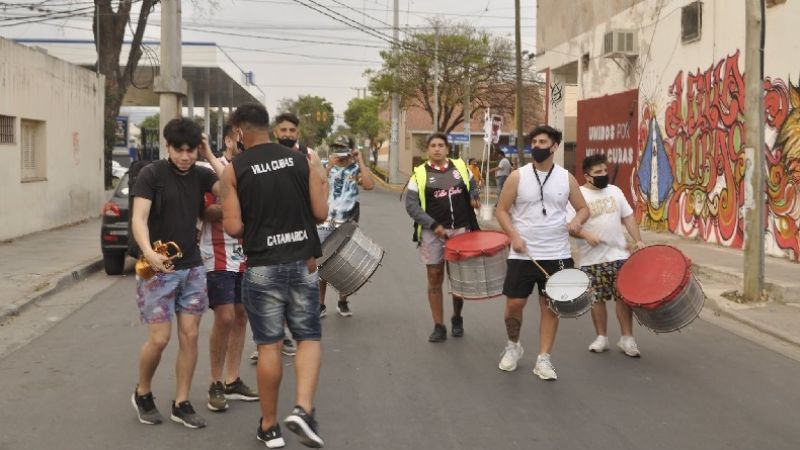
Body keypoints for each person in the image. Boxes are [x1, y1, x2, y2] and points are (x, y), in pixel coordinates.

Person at [221, 103, 328, 448]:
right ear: (268, 127)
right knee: (308, 337)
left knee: (269, 344)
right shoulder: (302, 160)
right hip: (302, 262)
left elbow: (234, 226)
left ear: (239, 131)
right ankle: (303, 409)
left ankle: (269, 427)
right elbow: (321, 213)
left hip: (263, 266)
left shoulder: (234, 170)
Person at [130, 117, 219, 429]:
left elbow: (232, 190)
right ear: (167, 147)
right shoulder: (151, 175)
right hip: (158, 270)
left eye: (190, 150)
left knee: (191, 335)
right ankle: (143, 392)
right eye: (179, 150)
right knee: (160, 339)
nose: (185, 156)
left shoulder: (201, 174)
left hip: (192, 268)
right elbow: (139, 218)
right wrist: (150, 252)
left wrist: (209, 155)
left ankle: (181, 402)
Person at [495, 125, 589, 380]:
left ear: (554, 146)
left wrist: (577, 221)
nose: (536, 145)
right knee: (515, 304)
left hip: (558, 254)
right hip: (523, 253)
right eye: (534, 141)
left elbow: (583, 208)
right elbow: (501, 210)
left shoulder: (566, 178)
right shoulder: (518, 176)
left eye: (542, 141)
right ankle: (513, 346)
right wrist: (514, 236)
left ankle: (544, 358)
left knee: (550, 306)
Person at [197, 125, 259, 413]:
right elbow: (205, 210)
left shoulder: (252, 168)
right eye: (239, 138)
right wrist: (239, 209)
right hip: (217, 254)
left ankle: (232, 380)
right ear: (228, 140)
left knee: (241, 315)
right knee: (224, 316)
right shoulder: (211, 168)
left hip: (245, 254)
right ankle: (215, 382)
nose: (244, 143)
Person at [568, 154, 646, 357]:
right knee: (597, 299)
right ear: (587, 176)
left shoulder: (615, 191)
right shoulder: (578, 196)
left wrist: (637, 240)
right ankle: (601, 337)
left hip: (619, 255)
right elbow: (570, 226)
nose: (604, 174)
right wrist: (585, 234)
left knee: (624, 298)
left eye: (605, 170)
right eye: (598, 172)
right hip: (591, 258)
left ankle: (627, 338)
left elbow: (628, 217)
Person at [405, 133, 480, 342]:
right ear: (428, 150)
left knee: (458, 280)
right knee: (434, 278)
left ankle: (457, 317)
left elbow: (473, 187)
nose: (437, 149)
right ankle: (439, 325)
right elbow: (411, 206)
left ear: (447, 149)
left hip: (461, 232)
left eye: (440, 145)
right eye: (433, 146)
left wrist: (475, 197)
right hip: (432, 234)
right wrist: (433, 225)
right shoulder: (419, 175)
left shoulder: (460, 168)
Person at [317, 135, 374, 317]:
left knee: (345, 263)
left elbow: (369, 185)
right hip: (325, 222)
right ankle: (320, 305)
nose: (339, 151)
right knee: (321, 264)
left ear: (350, 149)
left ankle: (343, 301)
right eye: (336, 147)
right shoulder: (326, 164)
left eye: (343, 147)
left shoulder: (356, 168)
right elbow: (316, 185)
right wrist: (330, 166)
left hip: (348, 222)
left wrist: (361, 160)